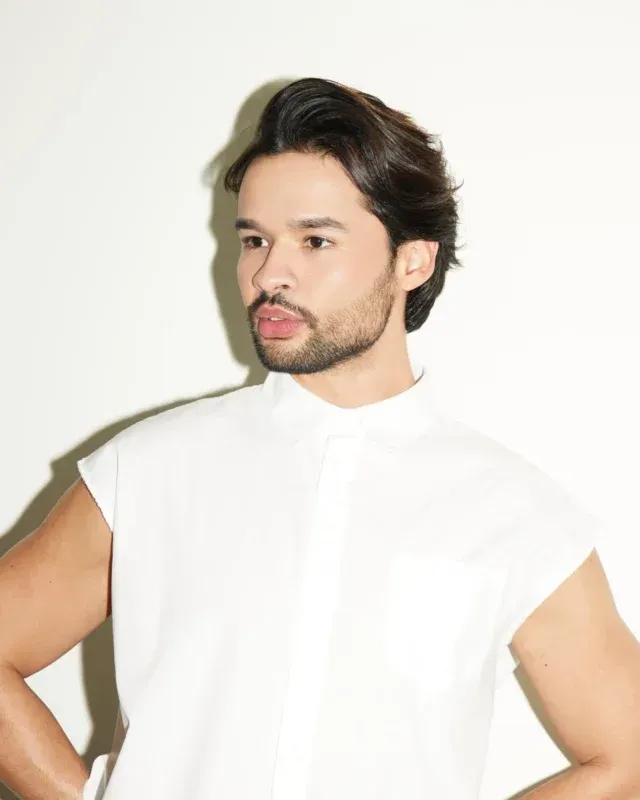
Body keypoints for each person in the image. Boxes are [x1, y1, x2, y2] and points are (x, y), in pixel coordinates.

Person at [1, 77, 639, 800]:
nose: (269, 273)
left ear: (413, 260)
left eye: (315, 239)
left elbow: (626, 756)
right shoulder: (150, 470)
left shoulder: (516, 513)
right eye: (254, 240)